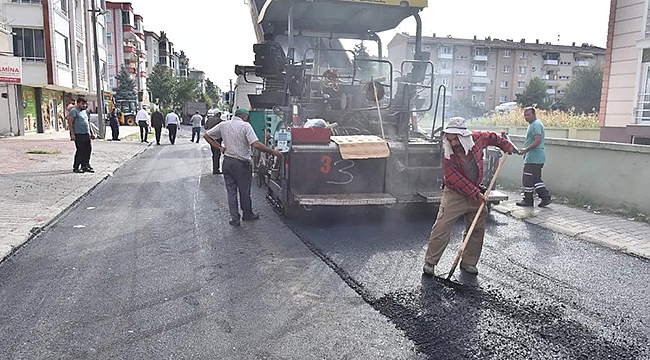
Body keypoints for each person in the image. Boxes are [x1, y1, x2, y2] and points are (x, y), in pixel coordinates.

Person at [422, 117, 514, 276]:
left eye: (456, 139)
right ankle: (430, 263)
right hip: (454, 194)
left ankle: (468, 263)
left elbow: (492, 137)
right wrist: (476, 193)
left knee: (477, 228)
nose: (453, 143)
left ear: (464, 136)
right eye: (450, 139)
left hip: (475, 192)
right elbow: (453, 178)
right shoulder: (448, 154)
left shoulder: (477, 139)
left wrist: (506, 145)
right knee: (442, 227)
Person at [203, 108, 283, 226]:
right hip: (241, 164)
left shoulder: (223, 125)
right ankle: (247, 214)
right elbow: (255, 144)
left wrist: (219, 147)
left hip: (227, 162)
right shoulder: (245, 126)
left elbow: (206, 136)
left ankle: (235, 218)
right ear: (244, 117)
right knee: (244, 191)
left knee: (231, 192)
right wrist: (273, 152)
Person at [516, 107, 552, 207]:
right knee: (536, 179)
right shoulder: (534, 124)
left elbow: (537, 140)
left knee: (527, 179)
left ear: (534, 114)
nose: (526, 117)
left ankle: (528, 200)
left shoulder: (535, 125)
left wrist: (526, 150)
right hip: (536, 157)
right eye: (525, 115)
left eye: (528, 115)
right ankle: (545, 197)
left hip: (534, 157)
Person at [66, 97, 96, 173]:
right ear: (78, 103)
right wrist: (72, 134)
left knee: (88, 150)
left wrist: (91, 133)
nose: (84, 105)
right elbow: (70, 123)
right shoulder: (74, 111)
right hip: (78, 134)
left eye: (85, 104)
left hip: (86, 134)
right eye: (82, 104)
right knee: (80, 150)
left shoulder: (84, 112)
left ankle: (85, 165)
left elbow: (88, 123)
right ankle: (76, 167)